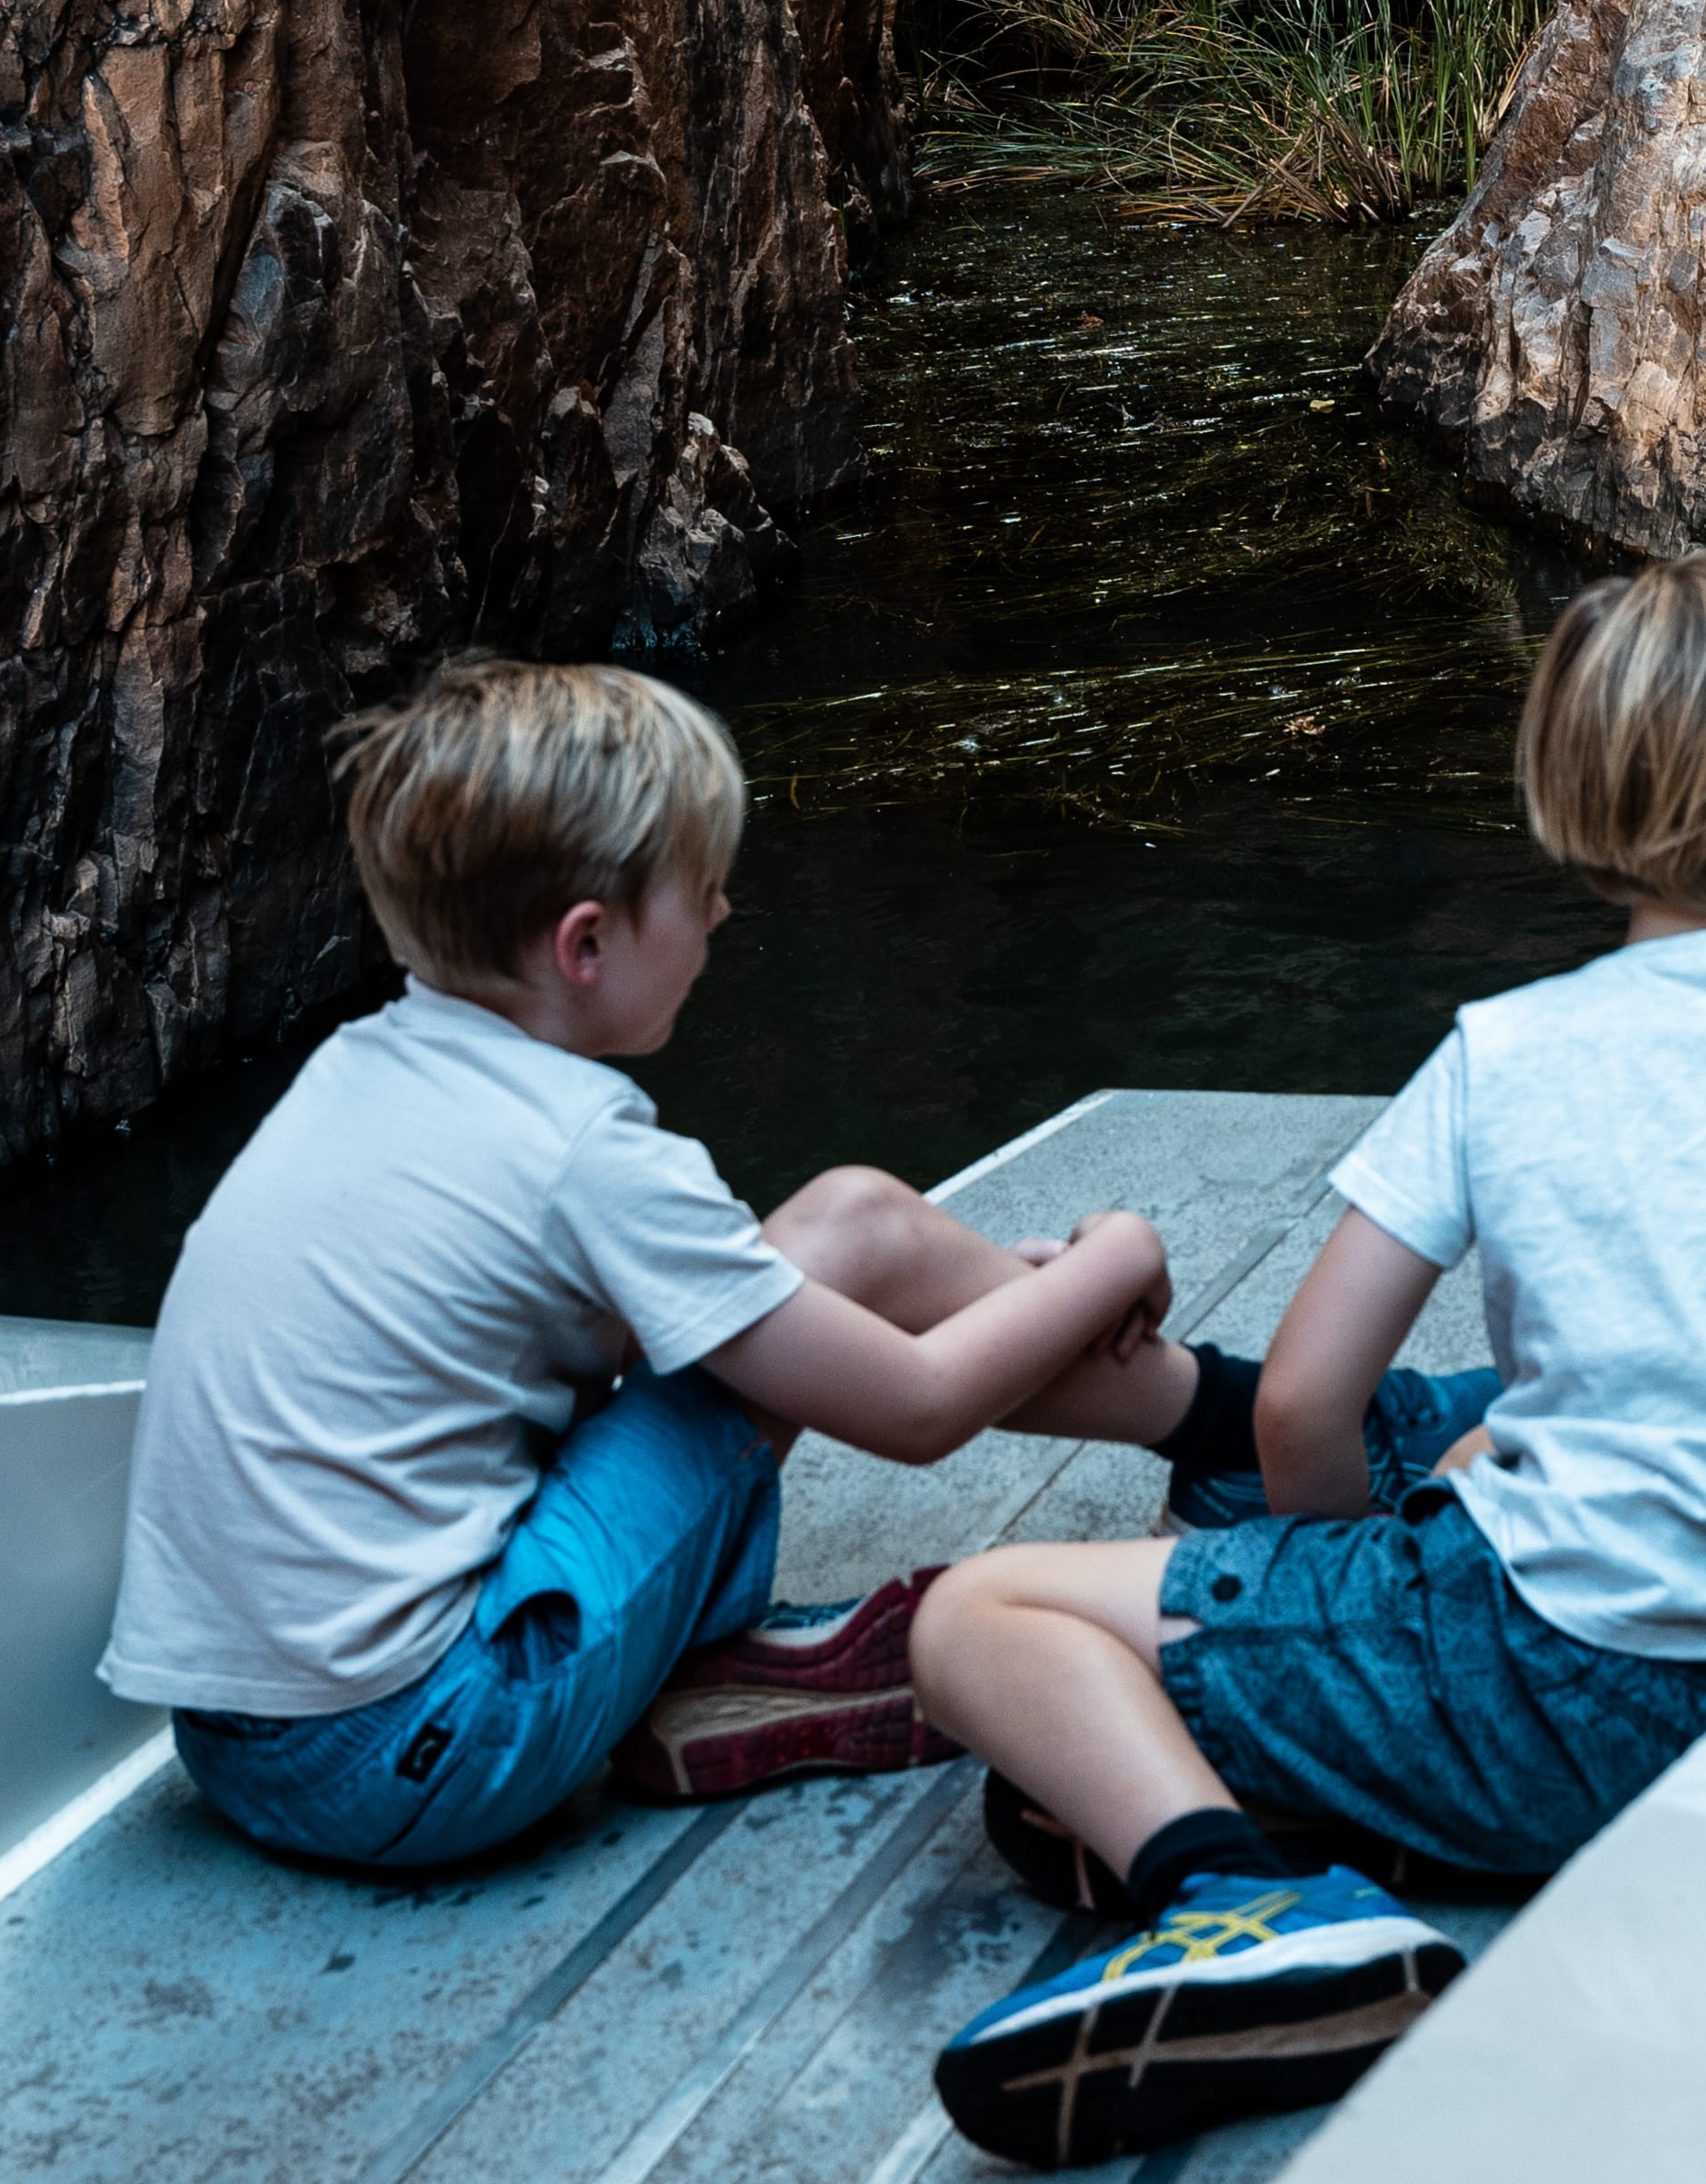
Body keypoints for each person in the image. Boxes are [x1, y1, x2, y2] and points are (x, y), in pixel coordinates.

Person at [905, 550, 1706, 2167]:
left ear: (1581, 809)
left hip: (1555, 1697)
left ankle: (1241, 1904)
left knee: (977, 1622)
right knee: (1468, 1419)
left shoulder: (1511, 1052)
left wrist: (1339, 1589)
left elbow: (1317, 1409)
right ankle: (1291, 1634)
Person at [104, 651, 1253, 1877]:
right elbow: (915, 1411)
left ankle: (1216, 1430)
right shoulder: (580, 1147)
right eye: (702, 890)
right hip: (422, 1748)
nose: (720, 916)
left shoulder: (363, 1070)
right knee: (853, 1228)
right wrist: (1114, 1254)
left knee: (849, 1235)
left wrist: (1027, 1303)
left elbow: (649, 1331)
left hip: (231, 1743)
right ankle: (1233, 1427)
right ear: (586, 944)